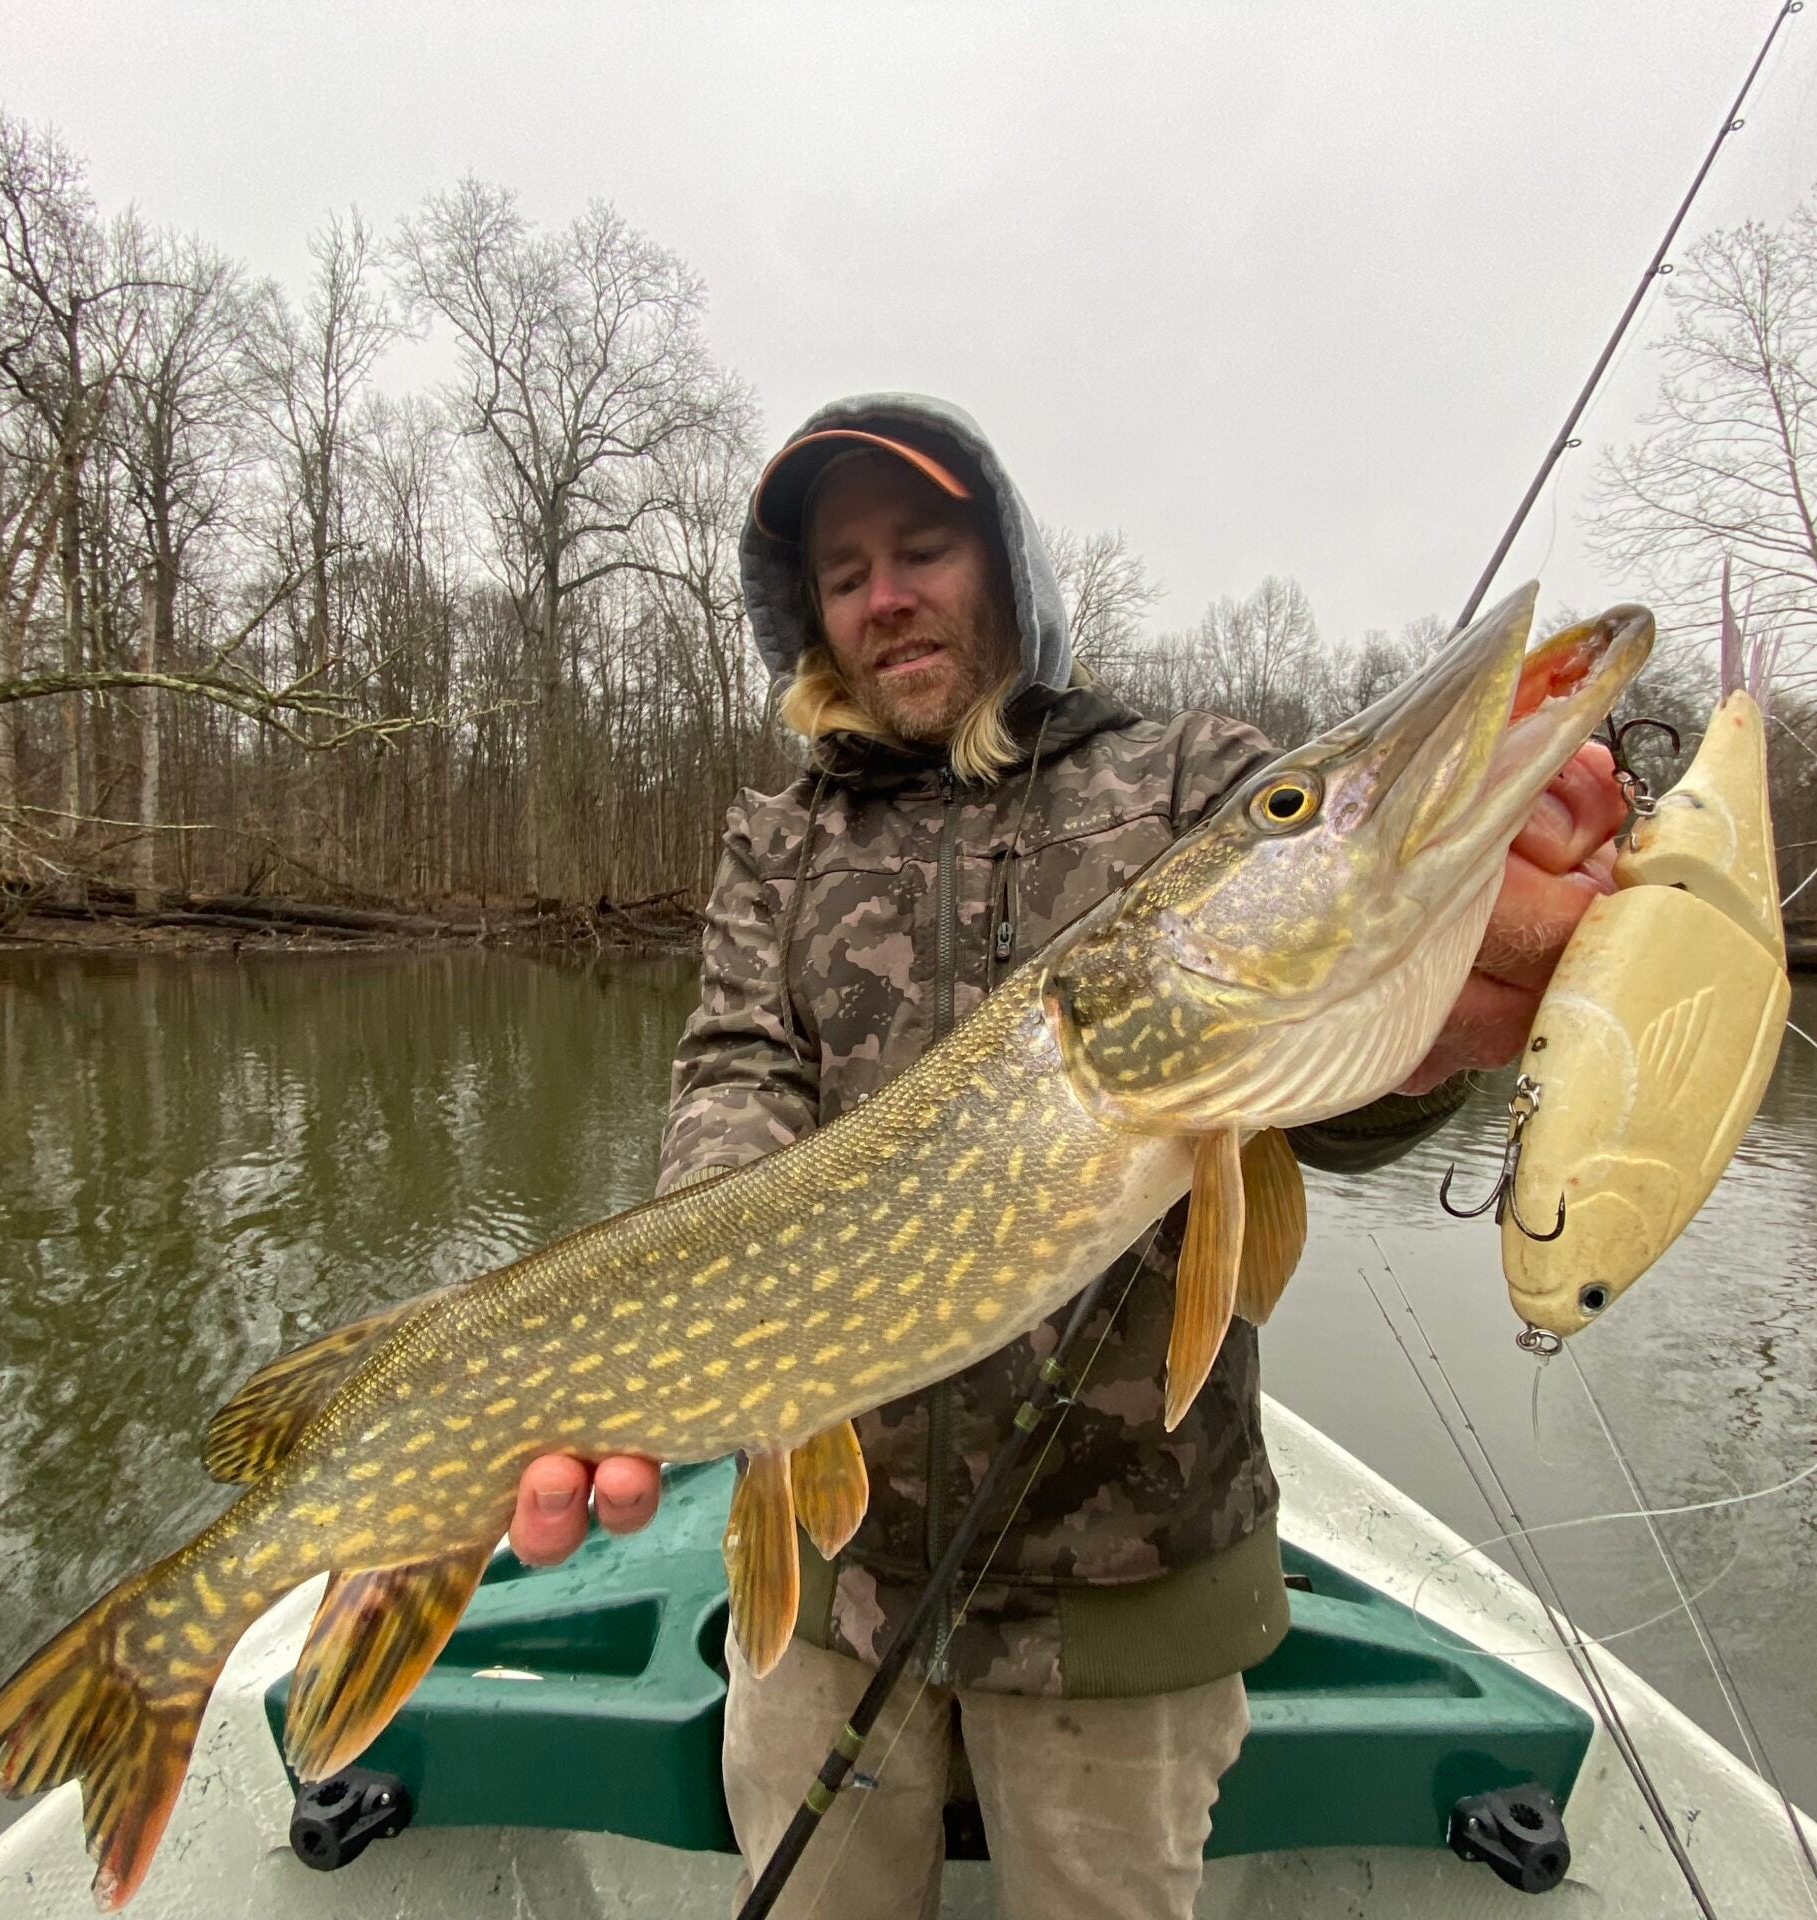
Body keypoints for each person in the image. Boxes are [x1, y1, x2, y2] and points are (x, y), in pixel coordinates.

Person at [508, 395, 1631, 1919]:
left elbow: (1328, 1090)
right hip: (833, 1581)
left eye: (922, 546)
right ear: (816, 619)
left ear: (1007, 564)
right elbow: (737, 1077)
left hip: (1129, 1580)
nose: (886, 592)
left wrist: (1438, 1022)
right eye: (846, 574)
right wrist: (696, 1295)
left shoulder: (1185, 784)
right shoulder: (782, 841)